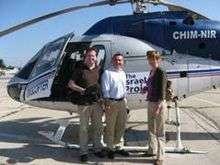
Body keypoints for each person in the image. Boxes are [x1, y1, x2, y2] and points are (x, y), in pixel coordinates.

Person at [68, 47, 105, 162]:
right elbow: (71, 84)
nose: (91, 58)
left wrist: (103, 99)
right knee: (83, 129)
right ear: (85, 57)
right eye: (89, 56)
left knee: (98, 127)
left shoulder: (99, 69)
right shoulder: (79, 70)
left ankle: (97, 149)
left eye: (93, 56)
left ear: (95, 57)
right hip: (84, 104)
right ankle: (83, 152)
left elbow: (103, 86)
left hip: (97, 103)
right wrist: (83, 91)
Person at [101, 53, 129, 159]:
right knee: (110, 127)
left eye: (120, 60)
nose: (118, 62)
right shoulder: (107, 73)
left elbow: (124, 89)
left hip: (122, 102)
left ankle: (119, 146)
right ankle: (110, 148)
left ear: (123, 62)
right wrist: (107, 102)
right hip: (111, 102)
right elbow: (105, 89)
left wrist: (126, 103)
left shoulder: (123, 73)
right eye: (116, 60)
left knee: (121, 126)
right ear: (112, 61)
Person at [145, 50, 167, 165]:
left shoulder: (161, 72)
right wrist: (145, 89)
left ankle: (160, 157)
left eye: (155, 59)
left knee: (160, 131)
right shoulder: (151, 71)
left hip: (159, 104)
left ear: (159, 60)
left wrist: (159, 107)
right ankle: (151, 150)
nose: (152, 61)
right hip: (151, 102)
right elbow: (152, 86)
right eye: (150, 59)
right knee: (151, 128)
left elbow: (162, 90)